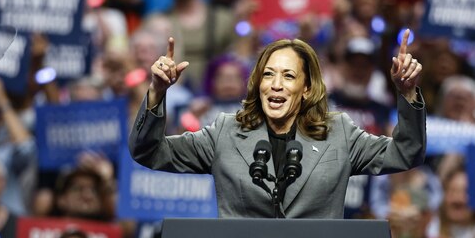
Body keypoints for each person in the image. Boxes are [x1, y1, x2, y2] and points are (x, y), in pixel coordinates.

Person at [129, 33, 426, 218]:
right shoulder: (225, 132)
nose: (276, 85)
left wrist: (407, 93)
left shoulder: (340, 134)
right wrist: (157, 92)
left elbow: (405, 152)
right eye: (268, 75)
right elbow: (149, 151)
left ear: (307, 88)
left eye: (287, 76)